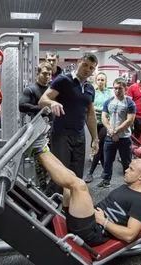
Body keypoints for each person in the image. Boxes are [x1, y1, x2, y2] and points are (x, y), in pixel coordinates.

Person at [28, 137, 141, 246]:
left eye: (131, 169)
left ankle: (39, 151)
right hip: (89, 220)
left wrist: (103, 221)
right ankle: (42, 147)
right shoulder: (126, 187)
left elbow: (130, 236)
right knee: (72, 175)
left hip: (93, 232)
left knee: (79, 185)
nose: (126, 171)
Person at [38, 53, 99, 192]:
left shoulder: (90, 88)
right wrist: (52, 102)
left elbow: (90, 114)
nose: (87, 69)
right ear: (79, 62)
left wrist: (95, 138)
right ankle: (53, 207)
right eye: (85, 65)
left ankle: (71, 207)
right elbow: (42, 100)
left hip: (79, 135)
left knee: (77, 176)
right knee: (60, 175)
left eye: (91, 68)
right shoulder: (63, 80)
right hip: (62, 134)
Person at [19, 62, 53, 192]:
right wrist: (41, 108)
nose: (47, 76)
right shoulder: (31, 89)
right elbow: (22, 105)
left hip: (54, 130)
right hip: (39, 131)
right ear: (38, 74)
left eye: (49, 74)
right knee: (42, 161)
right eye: (44, 73)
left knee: (54, 160)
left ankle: (52, 188)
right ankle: (43, 189)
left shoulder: (52, 89)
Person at [98, 78, 136, 188]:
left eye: (120, 88)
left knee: (126, 162)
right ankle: (106, 180)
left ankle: (128, 182)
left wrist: (116, 131)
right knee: (107, 160)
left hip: (124, 137)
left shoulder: (129, 103)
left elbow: (129, 120)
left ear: (125, 89)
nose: (117, 91)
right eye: (115, 88)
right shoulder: (108, 101)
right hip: (110, 136)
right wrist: (110, 130)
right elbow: (104, 117)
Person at [85, 72, 113, 183]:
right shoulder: (93, 92)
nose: (100, 82)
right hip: (93, 122)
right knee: (97, 145)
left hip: (105, 122)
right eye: (99, 79)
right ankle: (105, 171)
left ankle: (90, 173)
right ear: (96, 80)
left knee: (99, 145)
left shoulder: (108, 93)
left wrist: (98, 110)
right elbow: (89, 106)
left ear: (105, 81)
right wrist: (100, 109)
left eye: (102, 80)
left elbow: (109, 107)